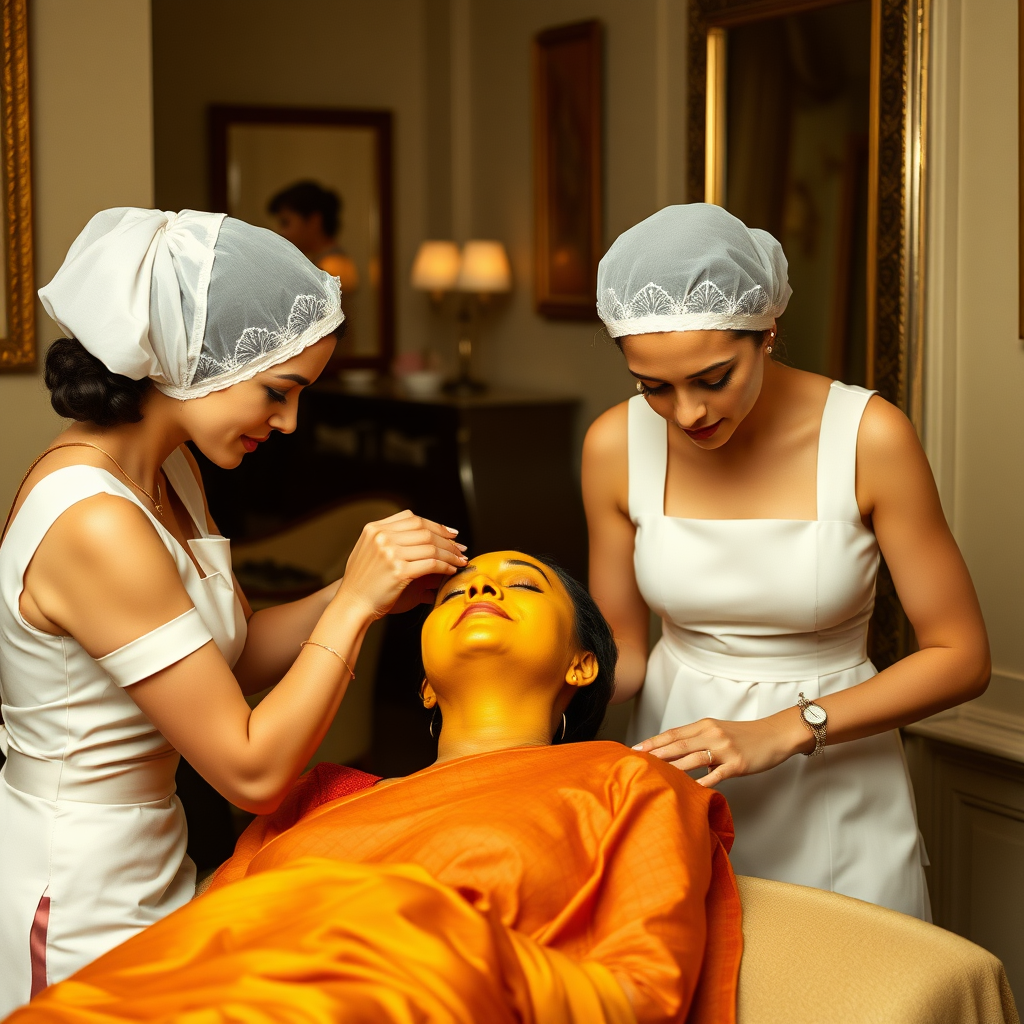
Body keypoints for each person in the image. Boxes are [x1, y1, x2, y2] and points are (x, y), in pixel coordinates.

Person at [0, 208, 466, 1012]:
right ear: (193, 359)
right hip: (75, 883)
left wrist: (370, 595)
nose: (287, 423)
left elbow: (230, 658)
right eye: (277, 393)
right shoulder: (93, 517)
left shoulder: (171, 471)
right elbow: (250, 771)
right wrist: (350, 604)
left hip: (153, 852)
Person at [9, 551, 743, 1024]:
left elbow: (641, 995)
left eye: (522, 584)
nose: (483, 586)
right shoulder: (323, 797)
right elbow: (202, 939)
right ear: (423, 684)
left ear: (582, 668)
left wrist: (430, 932)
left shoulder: (629, 783)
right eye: (457, 588)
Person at [582, 203, 991, 920]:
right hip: (677, 773)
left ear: (768, 332)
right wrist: (519, 674)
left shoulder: (868, 436)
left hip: (836, 770)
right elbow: (624, 655)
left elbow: (961, 656)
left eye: (713, 378)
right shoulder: (614, 443)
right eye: (655, 387)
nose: (686, 415)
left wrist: (785, 728)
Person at [268, 180, 360, 295]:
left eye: (285, 223)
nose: (280, 232)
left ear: (314, 221)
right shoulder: (328, 263)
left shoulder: (330, 268)